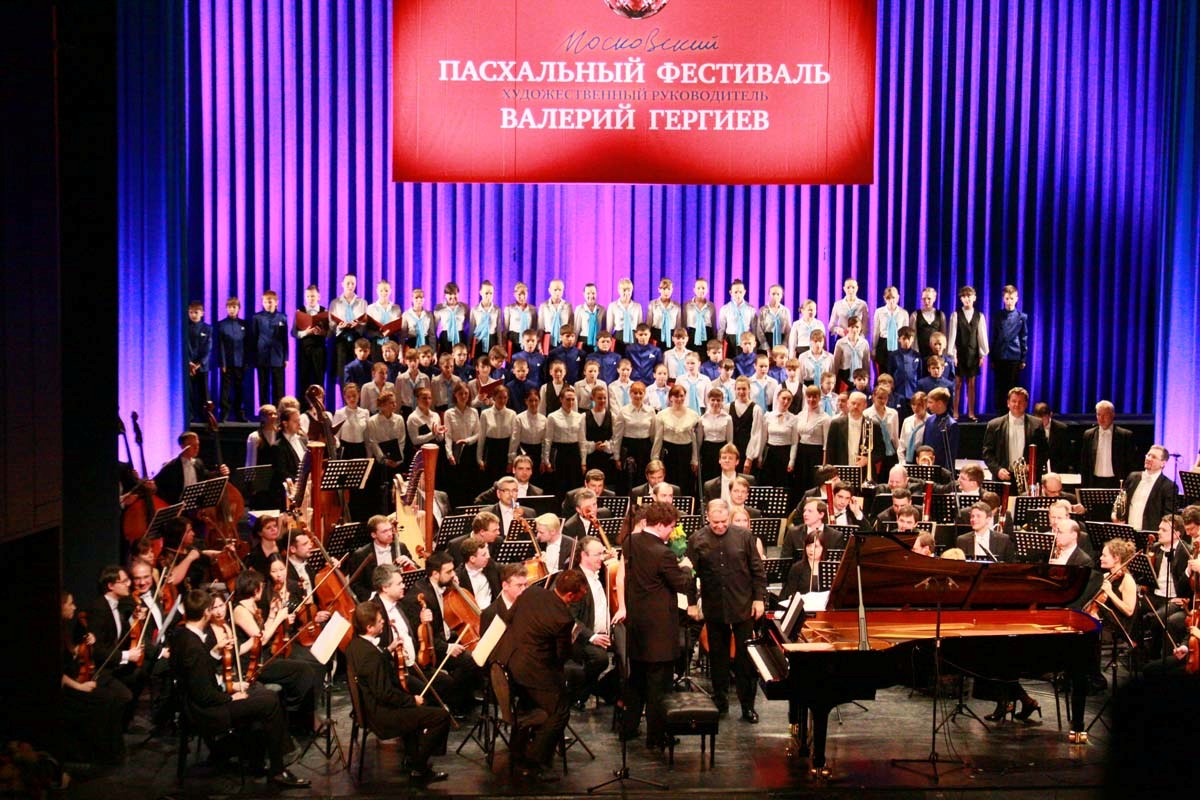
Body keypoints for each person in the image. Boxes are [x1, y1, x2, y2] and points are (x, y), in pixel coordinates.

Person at [172, 589, 310, 787]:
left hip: (203, 701)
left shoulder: (182, 634)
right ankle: (277, 771)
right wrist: (230, 697)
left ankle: (256, 759)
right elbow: (203, 694)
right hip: (206, 711)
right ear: (206, 613)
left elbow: (199, 675)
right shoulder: (193, 647)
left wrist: (215, 653)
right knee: (270, 701)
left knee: (261, 696)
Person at [490, 570, 588, 781]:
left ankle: (518, 750)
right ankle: (533, 762)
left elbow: (508, 619)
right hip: (531, 673)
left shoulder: (532, 592)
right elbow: (561, 656)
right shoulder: (563, 618)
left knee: (532, 703)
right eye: (581, 594)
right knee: (559, 711)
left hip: (507, 665)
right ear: (570, 596)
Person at [620, 502, 696, 751]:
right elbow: (681, 584)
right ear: (661, 525)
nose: (672, 532)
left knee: (636, 679)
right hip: (659, 630)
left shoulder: (630, 542)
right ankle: (656, 735)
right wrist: (686, 568)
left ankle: (628, 728)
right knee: (658, 686)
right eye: (671, 527)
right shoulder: (663, 553)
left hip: (637, 625)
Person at [346, 601, 451, 782]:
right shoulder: (370, 655)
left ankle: (412, 757)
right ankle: (419, 767)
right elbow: (384, 693)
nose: (383, 622)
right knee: (441, 716)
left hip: (371, 709)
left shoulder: (355, 646)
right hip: (381, 716)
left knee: (418, 711)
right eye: (379, 620)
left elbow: (372, 668)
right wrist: (412, 700)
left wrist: (388, 651)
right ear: (369, 627)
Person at [687, 500, 766, 722]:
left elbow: (757, 570)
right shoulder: (697, 539)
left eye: (723, 521)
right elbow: (689, 575)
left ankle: (747, 706)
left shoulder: (744, 536)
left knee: (744, 660)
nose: (720, 526)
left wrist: (759, 599)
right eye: (715, 522)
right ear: (707, 518)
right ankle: (720, 702)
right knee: (718, 657)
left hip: (742, 604)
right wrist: (692, 603)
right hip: (714, 606)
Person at [570, 536, 617, 708]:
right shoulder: (575, 580)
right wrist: (592, 637)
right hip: (582, 639)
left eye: (602, 553)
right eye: (598, 554)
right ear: (584, 555)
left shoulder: (600, 574)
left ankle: (602, 688)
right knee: (600, 658)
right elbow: (570, 618)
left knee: (632, 651)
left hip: (604, 633)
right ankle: (579, 694)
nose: (602, 558)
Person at [152, 431, 230, 505]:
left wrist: (221, 472)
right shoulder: (171, 466)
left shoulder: (198, 463)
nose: (196, 448)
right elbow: (156, 485)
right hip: (178, 507)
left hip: (196, 506)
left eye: (197, 444)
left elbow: (207, 476)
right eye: (192, 445)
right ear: (183, 446)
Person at [981, 387, 1039, 487]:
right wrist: (997, 470)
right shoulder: (994, 425)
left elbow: (1044, 452)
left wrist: (1032, 466)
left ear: (1026, 404)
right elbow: (987, 453)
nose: (1017, 404)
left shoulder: (1037, 425)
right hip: (1003, 479)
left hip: (1028, 479)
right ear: (1008, 403)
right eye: (1014, 401)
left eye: (1020, 402)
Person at [946, 285, 988, 420]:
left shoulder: (979, 316)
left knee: (971, 384)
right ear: (961, 299)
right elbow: (952, 336)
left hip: (973, 354)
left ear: (974, 298)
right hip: (960, 354)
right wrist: (953, 354)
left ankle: (971, 412)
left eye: (969, 296)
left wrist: (981, 354)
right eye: (964, 297)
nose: (966, 299)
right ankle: (955, 412)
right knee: (957, 384)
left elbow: (981, 336)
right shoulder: (956, 315)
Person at [1116, 445, 1178, 531]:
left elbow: (1168, 516)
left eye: (1154, 457)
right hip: (1128, 531)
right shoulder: (1132, 477)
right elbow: (1121, 501)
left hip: (1150, 534)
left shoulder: (1169, 486)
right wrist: (1115, 514)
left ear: (1163, 463)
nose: (1148, 458)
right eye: (1148, 455)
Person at [990, 285, 1028, 412]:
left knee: (1013, 387)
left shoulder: (1022, 317)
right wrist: (992, 357)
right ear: (1003, 299)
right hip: (999, 355)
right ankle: (1000, 413)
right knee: (999, 386)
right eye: (1007, 298)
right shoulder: (998, 316)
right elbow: (994, 336)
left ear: (1016, 299)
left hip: (1014, 355)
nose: (1009, 301)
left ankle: (1012, 412)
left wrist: (1023, 358)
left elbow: (1023, 338)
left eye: (1012, 298)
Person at [542, 385, 585, 496]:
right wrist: (546, 460)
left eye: (573, 399)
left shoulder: (579, 417)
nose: (570, 402)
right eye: (568, 399)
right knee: (559, 484)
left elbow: (582, 440)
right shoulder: (552, 417)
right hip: (559, 453)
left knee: (574, 485)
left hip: (574, 452)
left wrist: (583, 461)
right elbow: (548, 440)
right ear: (561, 399)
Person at [252, 290, 289, 408]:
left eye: (270, 302)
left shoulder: (282, 317)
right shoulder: (257, 317)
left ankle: (278, 411)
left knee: (278, 387)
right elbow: (254, 338)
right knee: (263, 386)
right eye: (265, 302)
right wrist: (254, 357)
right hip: (262, 356)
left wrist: (286, 357)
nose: (268, 304)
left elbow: (285, 339)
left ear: (276, 302)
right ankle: (265, 411)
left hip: (277, 356)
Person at [215, 296, 249, 421]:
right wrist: (222, 363)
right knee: (225, 389)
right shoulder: (221, 325)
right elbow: (220, 345)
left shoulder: (244, 324)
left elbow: (247, 345)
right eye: (229, 307)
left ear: (239, 308)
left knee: (240, 389)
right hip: (227, 363)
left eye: (234, 307)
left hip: (240, 362)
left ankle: (240, 414)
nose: (232, 309)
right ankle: (224, 413)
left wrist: (246, 362)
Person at [292, 284, 330, 397]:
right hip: (304, 350)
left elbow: (330, 332)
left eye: (313, 296)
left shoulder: (324, 311)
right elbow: (293, 332)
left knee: (319, 379)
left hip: (319, 350)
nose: (310, 299)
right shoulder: (300, 311)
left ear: (318, 297)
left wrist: (322, 333)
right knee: (304, 380)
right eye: (308, 296)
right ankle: (304, 405)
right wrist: (305, 332)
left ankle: (319, 404)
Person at [185, 301, 212, 422]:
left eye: (196, 312)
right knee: (189, 392)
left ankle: (205, 416)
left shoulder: (207, 328)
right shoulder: (184, 327)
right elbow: (183, 346)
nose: (193, 315)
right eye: (191, 312)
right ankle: (189, 415)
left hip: (202, 366)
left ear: (202, 313)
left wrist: (199, 363)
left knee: (204, 392)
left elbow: (208, 348)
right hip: (188, 366)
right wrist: (188, 362)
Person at [921, 387, 959, 470]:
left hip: (941, 469)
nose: (928, 406)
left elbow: (950, 454)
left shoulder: (951, 425)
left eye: (930, 402)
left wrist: (947, 472)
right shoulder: (929, 420)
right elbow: (924, 445)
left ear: (940, 403)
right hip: (927, 466)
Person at [782, 530, 826, 597]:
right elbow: (790, 593)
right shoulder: (797, 568)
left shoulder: (828, 568)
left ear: (823, 548)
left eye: (816, 546)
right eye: (808, 546)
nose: (811, 550)